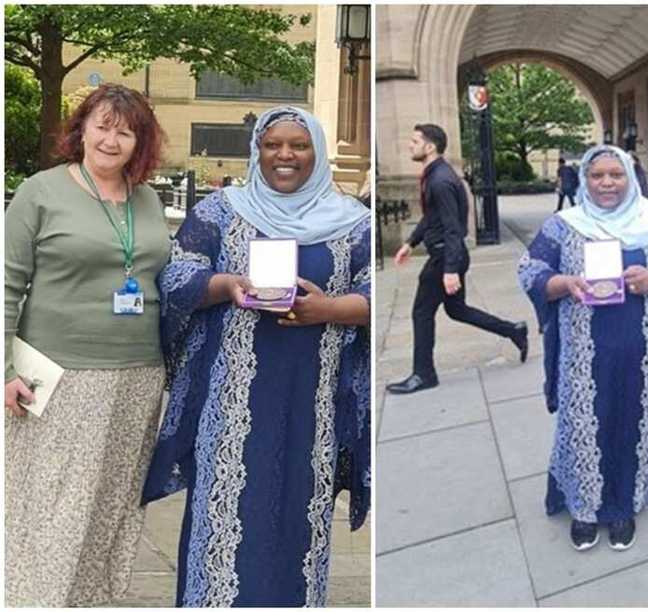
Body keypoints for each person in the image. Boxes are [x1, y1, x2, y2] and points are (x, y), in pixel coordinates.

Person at [141, 106, 371, 606]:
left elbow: (373, 292)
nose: (284, 155)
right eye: (272, 145)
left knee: (296, 523)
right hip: (230, 407)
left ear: (317, 152)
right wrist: (226, 285)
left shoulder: (354, 223)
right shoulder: (222, 211)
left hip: (312, 405)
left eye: (298, 145)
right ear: (256, 151)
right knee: (223, 523)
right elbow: (177, 277)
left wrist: (327, 308)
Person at [4, 84, 170, 606]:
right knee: (52, 505)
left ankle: (91, 600)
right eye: (102, 125)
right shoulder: (41, 191)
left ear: (139, 142)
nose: (111, 139)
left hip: (138, 376)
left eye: (125, 131)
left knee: (111, 507)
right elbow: (7, 283)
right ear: (81, 130)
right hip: (59, 373)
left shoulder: (147, 199)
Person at [517, 144, 648, 551]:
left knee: (631, 419)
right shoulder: (564, 225)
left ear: (630, 178)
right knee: (583, 421)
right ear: (584, 179)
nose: (607, 183)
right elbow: (530, 270)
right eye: (597, 175)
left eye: (615, 175)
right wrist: (564, 284)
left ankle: (623, 506)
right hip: (582, 353)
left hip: (642, 351)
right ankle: (583, 509)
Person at [386, 123, 528, 394]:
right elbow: (432, 216)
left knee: (421, 312)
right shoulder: (436, 174)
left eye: (415, 141)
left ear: (430, 147)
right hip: (446, 253)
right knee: (456, 309)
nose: (410, 145)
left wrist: (449, 270)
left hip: (444, 256)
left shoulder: (440, 180)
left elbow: (453, 227)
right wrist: (410, 242)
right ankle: (513, 330)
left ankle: (424, 374)